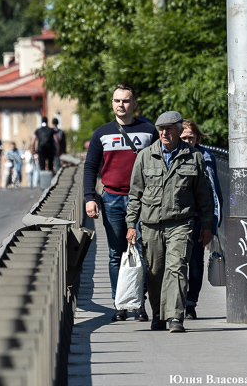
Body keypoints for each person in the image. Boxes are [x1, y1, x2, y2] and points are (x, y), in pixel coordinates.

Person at [125, 111, 214, 333]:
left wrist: (207, 226)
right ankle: (158, 314)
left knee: (177, 268)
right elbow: (135, 194)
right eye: (160, 129)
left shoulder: (194, 157)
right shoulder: (145, 156)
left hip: (180, 223)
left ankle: (175, 316)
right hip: (151, 224)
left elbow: (204, 196)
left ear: (178, 130)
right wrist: (130, 225)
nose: (164, 133)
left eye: (169, 129)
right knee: (155, 272)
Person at [83, 83, 158, 321]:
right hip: (112, 199)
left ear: (134, 104)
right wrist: (89, 198)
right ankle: (120, 304)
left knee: (144, 252)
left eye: (125, 101)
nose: (121, 105)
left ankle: (139, 304)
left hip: (144, 199)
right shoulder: (101, 133)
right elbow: (90, 168)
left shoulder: (149, 131)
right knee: (116, 253)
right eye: (117, 101)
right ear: (112, 103)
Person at [180, 119, 223, 319]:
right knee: (176, 262)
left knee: (196, 262)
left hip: (199, 218)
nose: (188, 141)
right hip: (178, 218)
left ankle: (190, 304)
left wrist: (213, 222)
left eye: (191, 137)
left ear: (197, 137)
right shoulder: (171, 155)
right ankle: (176, 303)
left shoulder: (206, 156)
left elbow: (215, 190)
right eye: (184, 138)